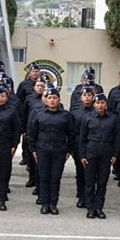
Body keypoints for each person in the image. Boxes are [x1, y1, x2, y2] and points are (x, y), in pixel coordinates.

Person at [28, 86, 73, 215]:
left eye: (55, 98)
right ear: (45, 100)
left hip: (59, 150)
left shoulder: (66, 115)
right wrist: (33, 150)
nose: (52, 100)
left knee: (55, 178)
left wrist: (68, 150)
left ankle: (53, 204)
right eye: (49, 98)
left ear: (59, 100)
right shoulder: (39, 114)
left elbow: (71, 134)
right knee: (43, 177)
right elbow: (33, 133)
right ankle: (44, 203)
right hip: (43, 149)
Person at [78, 93, 118, 219]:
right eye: (97, 103)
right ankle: (90, 208)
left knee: (102, 182)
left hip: (106, 152)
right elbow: (82, 138)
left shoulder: (113, 118)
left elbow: (117, 138)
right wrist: (82, 155)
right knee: (89, 181)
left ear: (106, 104)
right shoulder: (88, 118)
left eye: (102, 103)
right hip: (91, 151)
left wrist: (115, 154)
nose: (100, 105)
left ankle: (99, 207)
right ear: (94, 104)